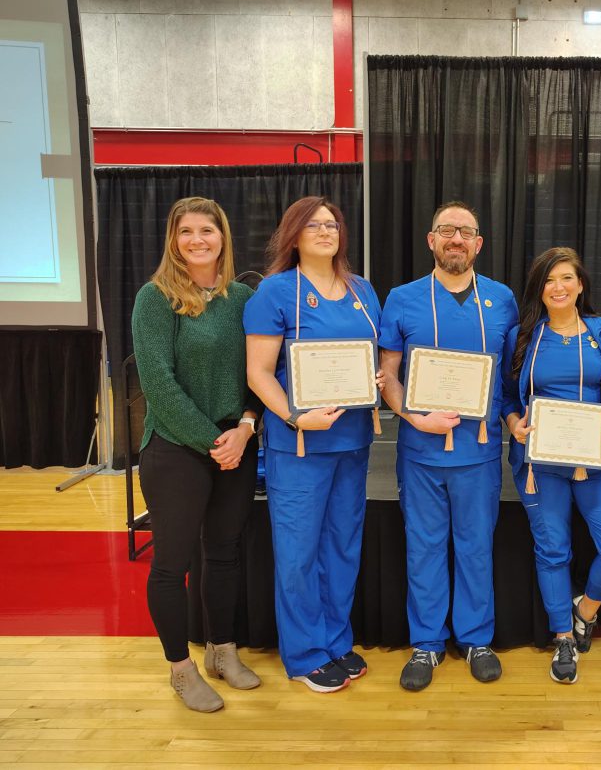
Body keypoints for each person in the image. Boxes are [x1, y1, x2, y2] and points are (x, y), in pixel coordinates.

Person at [244, 196, 383, 694]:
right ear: (294, 234)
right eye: (313, 225)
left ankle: (336, 642)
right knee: (299, 553)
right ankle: (304, 654)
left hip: (352, 440)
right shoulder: (275, 292)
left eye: (332, 224)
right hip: (299, 444)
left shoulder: (363, 290)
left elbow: (374, 361)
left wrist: (372, 378)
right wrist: (295, 416)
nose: (325, 231)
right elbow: (258, 373)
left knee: (342, 547)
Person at [378, 201, 518, 691]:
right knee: (424, 546)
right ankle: (427, 643)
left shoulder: (502, 300)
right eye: (446, 230)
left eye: (466, 232)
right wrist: (413, 415)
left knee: (476, 547)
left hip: (478, 453)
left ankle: (477, 638)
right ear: (431, 240)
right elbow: (388, 377)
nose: (456, 238)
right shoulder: (402, 298)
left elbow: (515, 373)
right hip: (420, 451)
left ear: (478, 244)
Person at [131, 196, 261, 713]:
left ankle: (221, 651)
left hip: (236, 443)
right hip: (176, 449)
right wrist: (214, 441)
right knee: (172, 563)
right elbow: (158, 385)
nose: (197, 240)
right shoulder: (155, 298)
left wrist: (246, 428)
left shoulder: (244, 298)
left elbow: (262, 372)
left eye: (207, 230)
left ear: (223, 237)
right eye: (186, 231)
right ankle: (180, 670)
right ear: (173, 240)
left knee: (224, 554)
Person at [504, 247, 601, 684]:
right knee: (553, 550)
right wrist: (514, 423)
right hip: (539, 462)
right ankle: (563, 637)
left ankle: (585, 610)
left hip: (595, 459)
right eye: (548, 280)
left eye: (566, 279)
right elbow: (507, 398)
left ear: (581, 285)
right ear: (538, 289)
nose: (558, 287)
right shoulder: (522, 336)